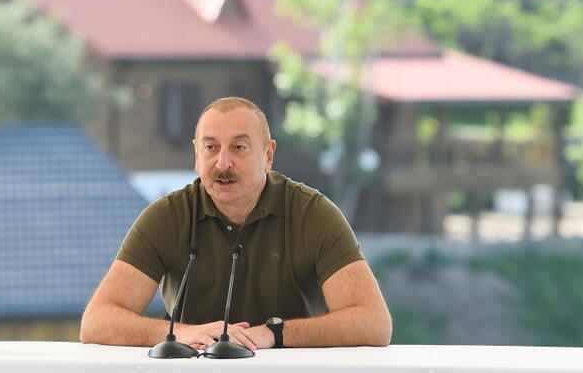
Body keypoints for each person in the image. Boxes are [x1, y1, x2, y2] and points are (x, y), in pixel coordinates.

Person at [80, 97, 392, 350]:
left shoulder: (313, 214)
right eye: (211, 148)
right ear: (197, 155)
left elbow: (373, 322)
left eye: (239, 148)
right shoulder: (166, 217)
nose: (223, 163)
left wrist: (274, 333)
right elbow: (97, 321)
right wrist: (183, 333)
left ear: (268, 155)